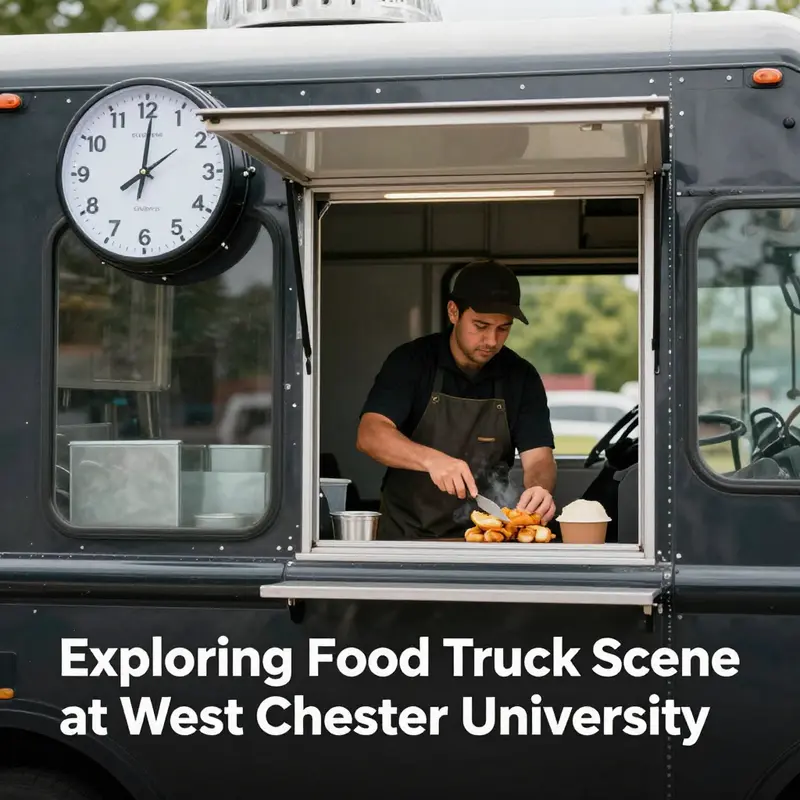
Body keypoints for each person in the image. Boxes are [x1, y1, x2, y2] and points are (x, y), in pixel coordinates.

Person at [356, 259, 557, 541]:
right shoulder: (412, 362)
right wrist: (431, 459)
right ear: (453, 312)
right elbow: (370, 434)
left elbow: (539, 458)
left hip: (488, 538)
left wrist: (539, 489)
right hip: (407, 539)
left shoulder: (521, 377)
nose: (491, 340)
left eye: (503, 328)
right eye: (481, 325)